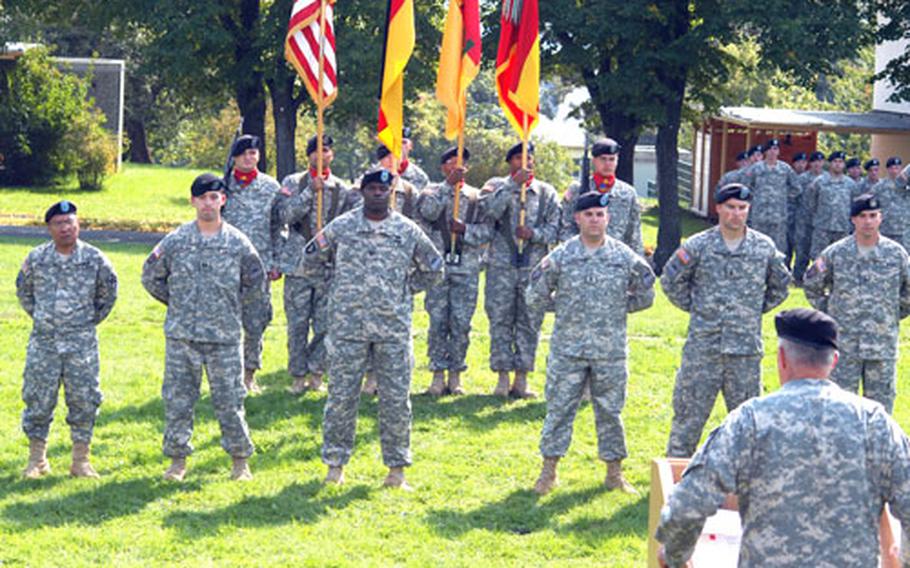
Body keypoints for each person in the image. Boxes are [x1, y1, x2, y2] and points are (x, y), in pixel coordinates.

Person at [656, 308, 910, 568]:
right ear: (834, 361)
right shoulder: (875, 423)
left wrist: (675, 554)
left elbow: (688, 504)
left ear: (781, 358)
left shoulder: (750, 421)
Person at [296, 169, 443, 489]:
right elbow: (309, 262)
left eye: (384, 189)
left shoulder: (407, 230)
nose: (378, 193)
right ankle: (335, 465)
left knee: (395, 400)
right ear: (362, 192)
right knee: (341, 398)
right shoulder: (343, 226)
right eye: (372, 188)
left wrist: (405, 289)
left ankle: (396, 470)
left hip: (392, 328)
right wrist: (336, 290)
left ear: (392, 193)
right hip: (348, 327)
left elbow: (434, 268)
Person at [527, 192, 655, 496]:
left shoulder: (623, 256)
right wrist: (563, 308)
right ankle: (548, 472)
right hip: (568, 350)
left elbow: (647, 292)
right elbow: (534, 294)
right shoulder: (561, 255)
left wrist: (617, 310)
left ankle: (614, 473)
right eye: (589, 215)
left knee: (611, 411)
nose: (595, 220)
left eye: (600, 214)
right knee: (559, 409)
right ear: (577, 218)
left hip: (609, 350)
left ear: (608, 218)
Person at [141, 173, 267, 482]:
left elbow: (255, 282)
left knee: (230, 401)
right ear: (193, 201)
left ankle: (240, 461)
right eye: (202, 198)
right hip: (183, 336)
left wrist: (235, 309)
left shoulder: (237, 242)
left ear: (223, 200)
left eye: (214, 197)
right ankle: (177, 462)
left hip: (224, 336)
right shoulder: (176, 240)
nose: (208, 203)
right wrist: (179, 304)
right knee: (178, 400)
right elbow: (150, 275)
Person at [660, 184, 790, 458]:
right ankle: (673, 477)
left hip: (744, 352)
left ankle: (746, 484)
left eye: (742, 208)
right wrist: (698, 309)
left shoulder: (763, 247)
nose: (736, 214)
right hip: (703, 349)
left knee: (748, 422)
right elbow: (671, 281)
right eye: (730, 207)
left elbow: (781, 286)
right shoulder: (698, 245)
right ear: (718, 208)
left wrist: (752, 310)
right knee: (688, 418)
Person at [16, 201, 118, 479]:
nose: (65, 228)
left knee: (84, 399)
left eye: (70, 222)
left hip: (81, 345)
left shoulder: (95, 259)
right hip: (44, 344)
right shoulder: (36, 259)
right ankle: (37, 460)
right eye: (59, 223)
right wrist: (43, 318)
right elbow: (24, 293)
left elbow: (107, 296)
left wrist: (83, 323)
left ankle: (80, 461)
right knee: (38, 399)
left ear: (78, 225)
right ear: (49, 228)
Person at [802, 194, 910, 413]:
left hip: (881, 346)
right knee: (841, 409)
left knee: (880, 411)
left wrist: (891, 313)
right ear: (853, 219)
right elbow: (811, 283)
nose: (868, 221)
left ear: (881, 218)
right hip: (845, 345)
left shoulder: (896, 254)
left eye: (873, 215)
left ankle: (877, 449)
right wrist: (831, 313)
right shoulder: (836, 253)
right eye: (862, 216)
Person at [277, 134, 360, 394]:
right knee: (297, 325)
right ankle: (297, 376)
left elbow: (348, 225)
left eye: (326, 151)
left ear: (331, 155)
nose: (321, 155)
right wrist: (309, 193)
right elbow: (285, 215)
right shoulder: (293, 182)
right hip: (299, 263)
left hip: (328, 266)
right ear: (308, 155)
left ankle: (316, 372)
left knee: (327, 324)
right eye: (316, 151)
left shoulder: (341, 188)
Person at [482, 142, 561, 398]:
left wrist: (534, 234)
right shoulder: (497, 187)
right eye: (517, 158)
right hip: (501, 267)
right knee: (500, 320)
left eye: (528, 159)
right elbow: (490, 214)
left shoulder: (546, 193)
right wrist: (513, 186)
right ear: (510, 162)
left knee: (529, 322)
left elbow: (555, 229)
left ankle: (522, 378)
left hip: (533, 268)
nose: (524, 163)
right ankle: (502, 377)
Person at [416, 147, 492, 396]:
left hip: (466, 267)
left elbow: (487, 232)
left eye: (460, 164)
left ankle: (456, 374)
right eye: (450, 163)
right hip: (439, 267)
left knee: (461, 323)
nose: (456, 168)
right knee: (438, 321)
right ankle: (437, 375)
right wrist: (448, 187)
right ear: (443, 168)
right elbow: (427, 214)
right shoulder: (430, 193)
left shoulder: (476, 197)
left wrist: (465, 231)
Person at [222, 134, 283, 394]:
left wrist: (277, 261)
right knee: (224, 322)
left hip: (259, 265)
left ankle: (249, 375)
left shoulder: (271, 187)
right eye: (244, 153)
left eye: (254, 153)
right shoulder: (222, 188)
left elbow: (279, 227)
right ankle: (226, 375)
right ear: (234, 157)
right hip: (225, 265)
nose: (250, 157)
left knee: (256, 321)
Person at [558, 137, 644, 255]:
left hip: (616, 260)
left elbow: (634, 235)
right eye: (603, 159)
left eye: (612, 159)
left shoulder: (628, 193)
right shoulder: (577, 190)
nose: (608, 164)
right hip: (582, 258)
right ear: (594, 161)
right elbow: (566, 228)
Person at [740, 138, 800, 253]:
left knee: (778, 249)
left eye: (775, 149)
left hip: (779, 217)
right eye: (770, 149)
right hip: (759, 216)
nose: (773, 152)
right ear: (765, 152)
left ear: (778, 152)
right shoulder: (756, 168)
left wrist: (782, 196)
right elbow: (745, 188)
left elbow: (796, 188)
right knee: (757, 246)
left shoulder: (785, 169)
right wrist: (756, 198)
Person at [806, 151, 859, 260]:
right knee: (819, 259)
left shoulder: (851, 184)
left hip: (842, 228)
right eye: (835, 161)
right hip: (822, 228)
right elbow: (811, 204)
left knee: (841, 259)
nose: (838, 164)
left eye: (841, 162)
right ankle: (819, 278)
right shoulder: (819, 182)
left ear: (844, 165)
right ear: (830, 163)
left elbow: (854, 206)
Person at [792, 151, 826, 283]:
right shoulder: (802, 179)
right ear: (810, 163)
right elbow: (794, 197)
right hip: (803, 220)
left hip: (821, 222)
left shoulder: (827, 179)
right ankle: (798, 278)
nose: (818, 164)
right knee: (802, 250)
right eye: (815, 161)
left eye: (820, 161)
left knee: (820, 252)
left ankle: (818, 278)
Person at [871, 156, 910, 251]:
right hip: (885, 229)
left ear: (901, 169)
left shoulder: (907, 186)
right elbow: (872, 206)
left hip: (904, 230)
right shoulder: (879, 187)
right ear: (888, 169)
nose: (894, 170)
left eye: (897, 168)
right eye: (892, 168)